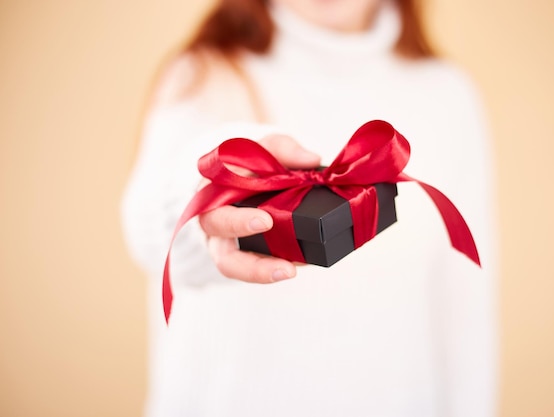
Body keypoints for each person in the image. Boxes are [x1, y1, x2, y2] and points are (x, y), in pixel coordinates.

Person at [121, 0, 499, 416]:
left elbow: (466, 304)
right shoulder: (204, 71)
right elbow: (145, 231)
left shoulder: (447, 94)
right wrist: (204, 192)